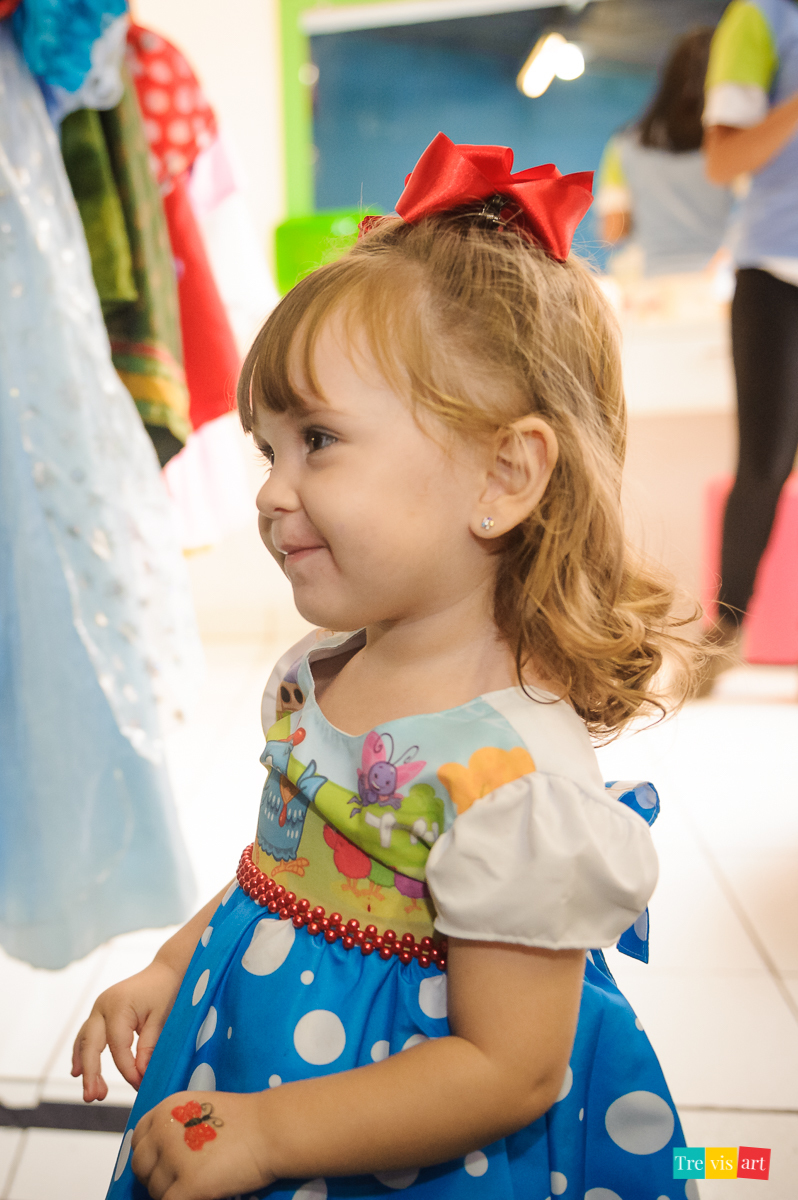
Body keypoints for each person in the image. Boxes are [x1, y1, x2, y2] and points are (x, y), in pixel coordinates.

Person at [73, 134, 697, 1200]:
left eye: (317, 440)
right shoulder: (318, 674)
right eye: (268, 447)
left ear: (504, 474)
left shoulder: (514, 783)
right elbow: (277, 872)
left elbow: (512, 1067)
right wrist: (174, 965)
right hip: (252, 1065)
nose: (271, 491)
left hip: (397, 1145)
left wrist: (270, 1133)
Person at [700, 0, 798, 692]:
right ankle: (723, 637)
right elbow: (723, 158)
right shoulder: (759, 18)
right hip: (774, 269)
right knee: (764, 461)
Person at [597, 26, 732, 278]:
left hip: (653, 287)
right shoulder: (734, 145)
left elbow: (613, 231)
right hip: (721, 280)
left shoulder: (624, 144)